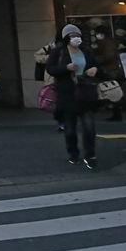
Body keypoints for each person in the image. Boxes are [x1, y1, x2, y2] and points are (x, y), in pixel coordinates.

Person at [47, 23, 107, 169]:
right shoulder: (59, 51)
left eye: (78, 35)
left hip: (86, 93)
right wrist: (66, 68)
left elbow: (98, 68)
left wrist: (95, 70)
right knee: (70, 129)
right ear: (66, 38)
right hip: (67, 95)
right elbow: (50, 68)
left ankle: (90, 155)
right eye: (73, 36)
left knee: (89, 127)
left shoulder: (85, 51)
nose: (76, 38)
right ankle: (73, 153)